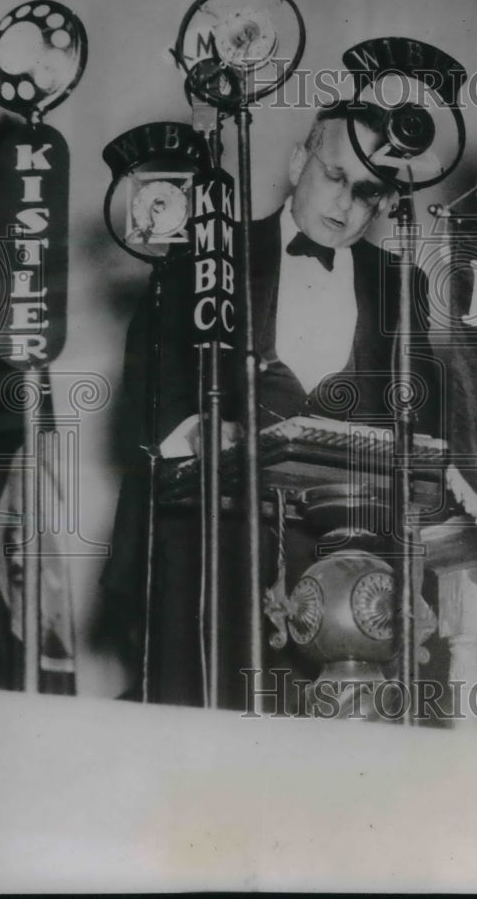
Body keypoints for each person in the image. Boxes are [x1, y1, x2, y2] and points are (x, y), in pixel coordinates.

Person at [101, 100, 442, 707]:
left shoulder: (403, 287)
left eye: (368, 192)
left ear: (388, 201)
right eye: (335, 177)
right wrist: (200, 428)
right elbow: (151, 374)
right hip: (218, 555)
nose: (344, 205)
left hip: (352, 574)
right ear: (296, 162)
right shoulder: (207, 250)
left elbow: (426, 424)